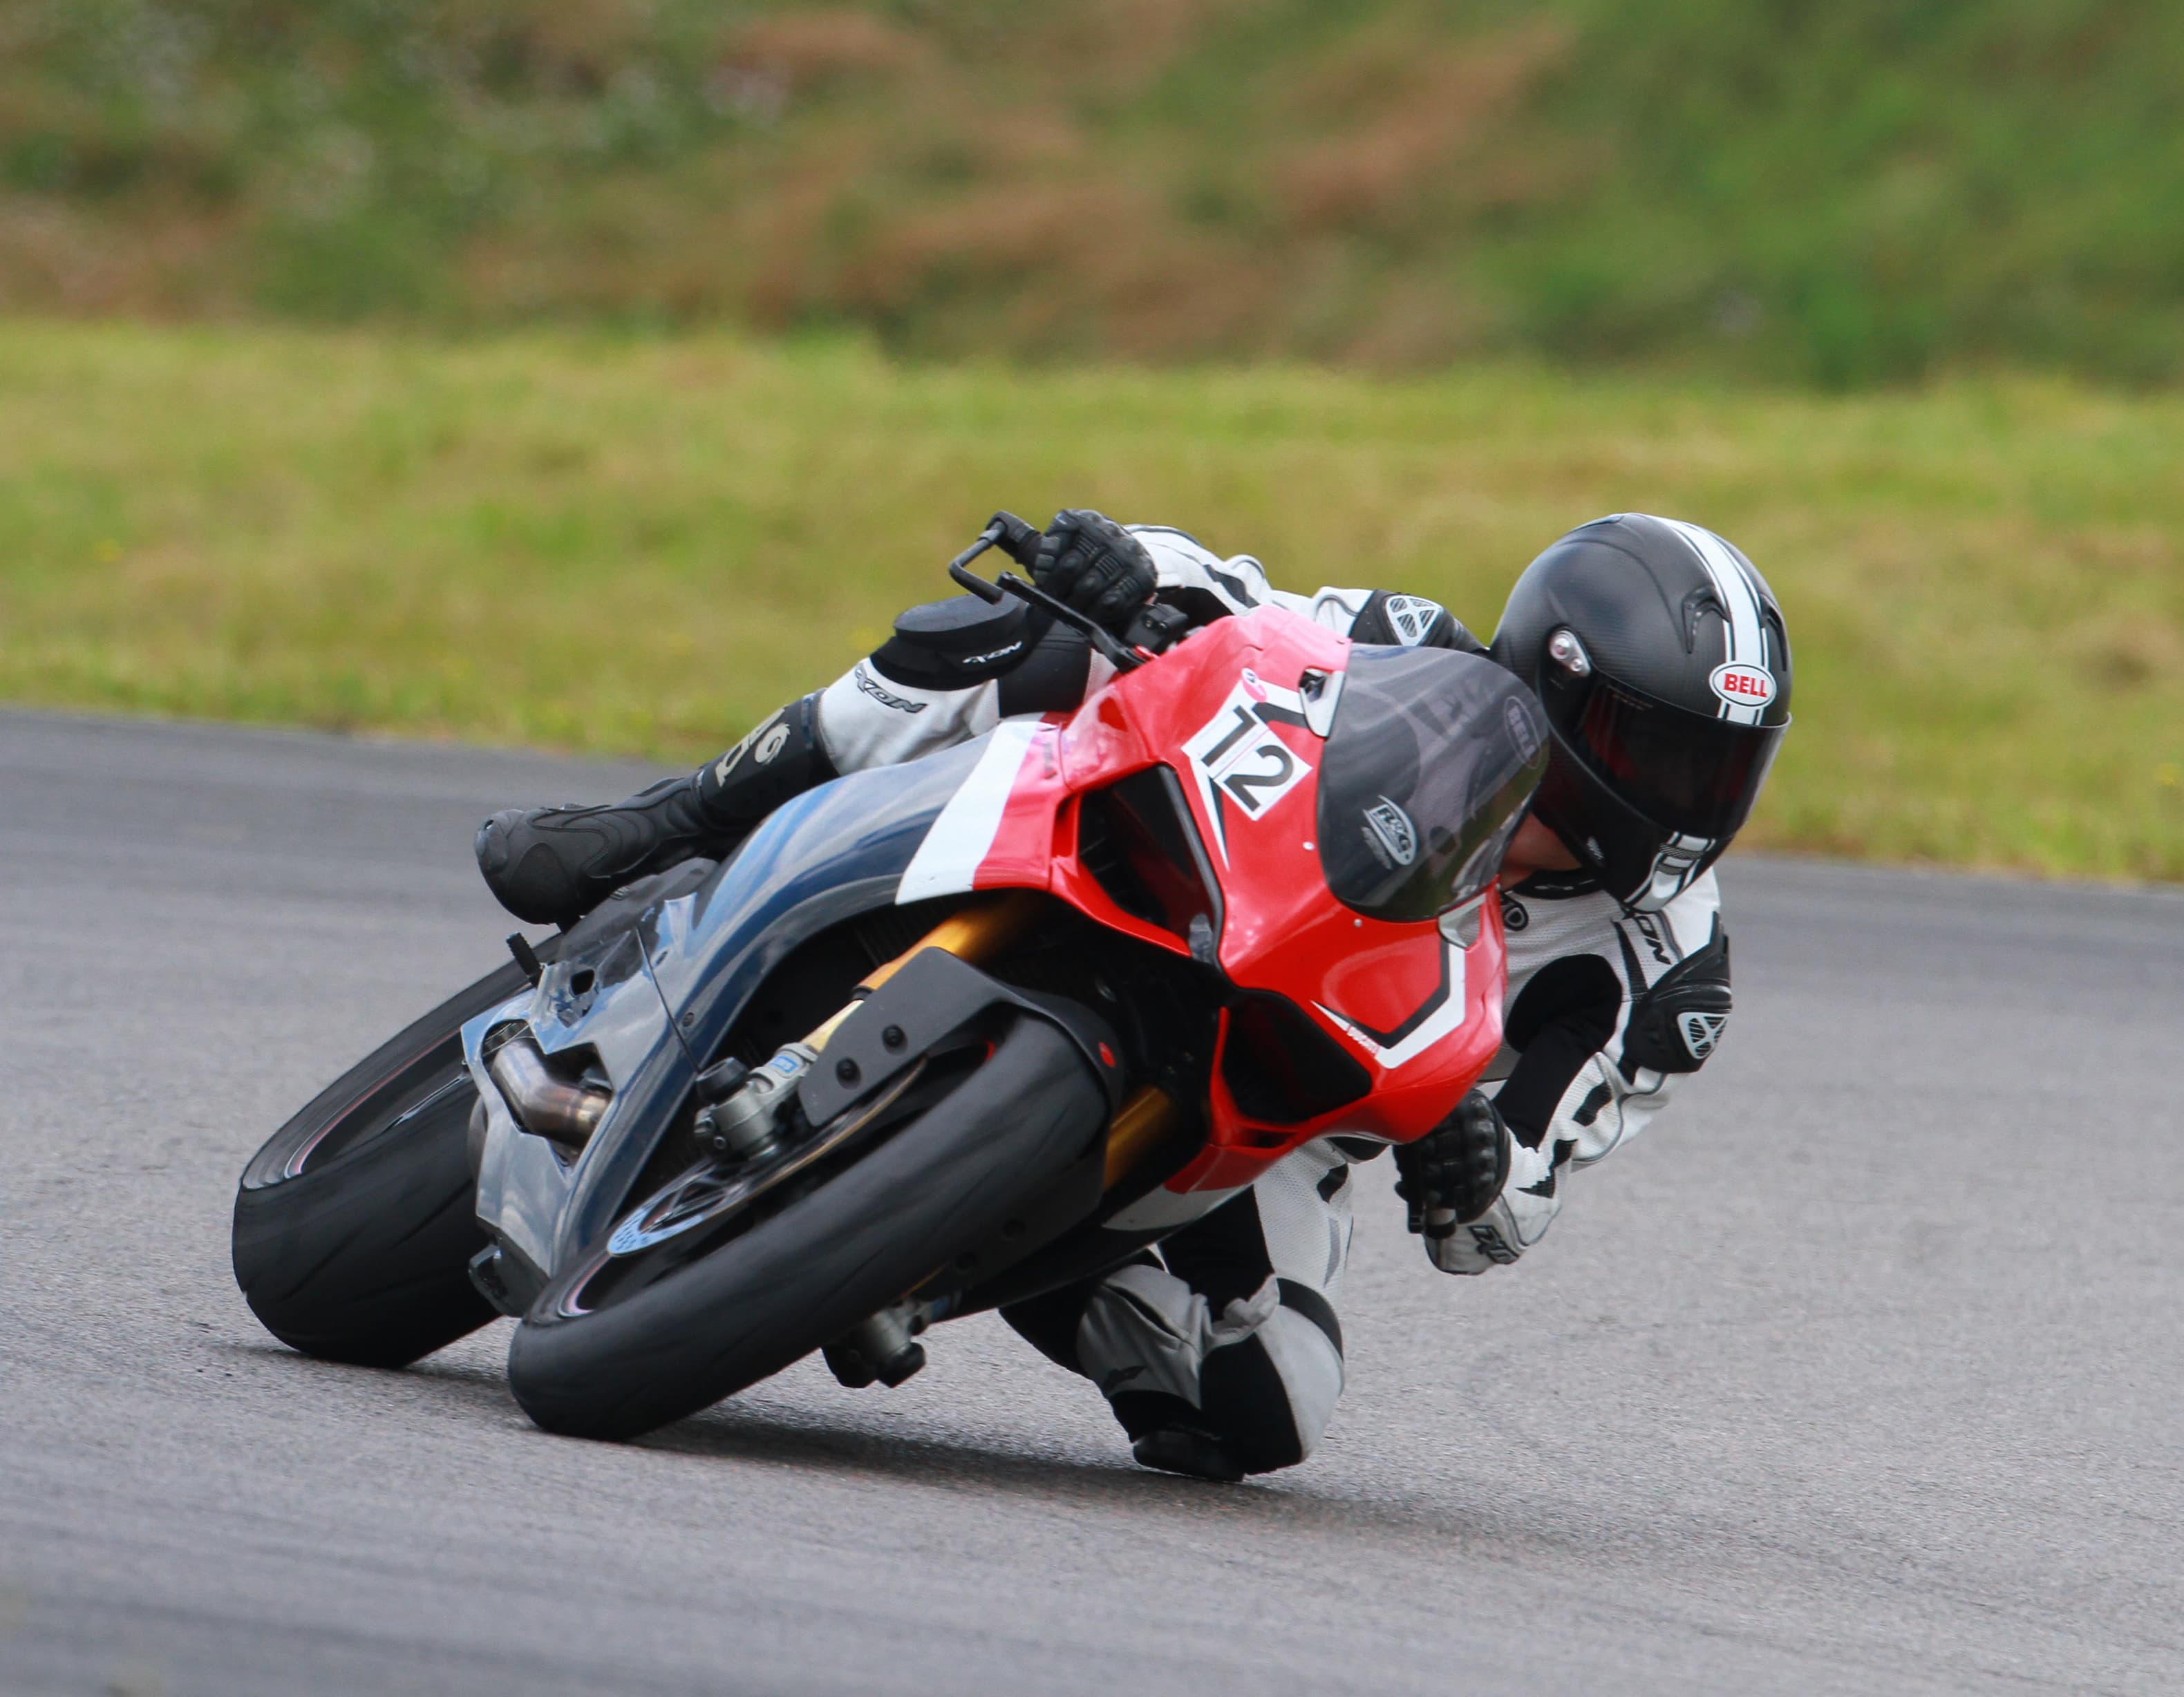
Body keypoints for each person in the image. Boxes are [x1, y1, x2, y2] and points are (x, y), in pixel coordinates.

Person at [475, 509, 1791, 1481]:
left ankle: (989, 1242)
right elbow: (1233, 601)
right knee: (1027, 635)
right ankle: (665, 822)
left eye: (1719, 769)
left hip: (1288, 1099)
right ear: (1550, 683)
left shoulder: (1668, 977)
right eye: (1656, 750)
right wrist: (1127, 565)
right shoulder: (1405, 649)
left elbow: (1505, 1217)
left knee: (1269, 1408)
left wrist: (1468, 1165)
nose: (1686, 798)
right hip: (1173, 873)